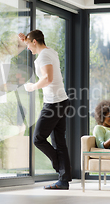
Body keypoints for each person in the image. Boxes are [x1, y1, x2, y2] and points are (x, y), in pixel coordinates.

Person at [19, 30, 71, 190]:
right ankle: (63, 180)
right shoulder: (50, 52)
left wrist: (33, 87)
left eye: (28, 45)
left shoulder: (44, 56)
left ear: (34, 41)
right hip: (61, 101)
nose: (27, 48)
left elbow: (48, 78)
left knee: (38, 139)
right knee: (59, 142)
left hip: (54, 103)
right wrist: (24, 39)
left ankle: (60, 167)